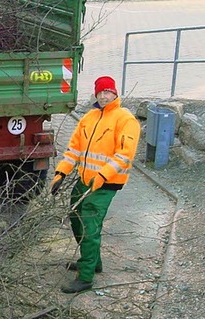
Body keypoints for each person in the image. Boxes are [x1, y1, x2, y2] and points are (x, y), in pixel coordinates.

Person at [51, 76, 140, 293]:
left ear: (115, 93)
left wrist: (102, 175)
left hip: (106, 184)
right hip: (85, 181)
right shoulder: (89, 118)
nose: (103, 96)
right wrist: (61, 172)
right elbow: (74, 149)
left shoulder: (125, 119)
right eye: (100, 92)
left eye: (108, 92)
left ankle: (86, 277)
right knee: (76, 217)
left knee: (90, 226)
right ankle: (92, 260)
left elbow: (124, 155)